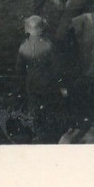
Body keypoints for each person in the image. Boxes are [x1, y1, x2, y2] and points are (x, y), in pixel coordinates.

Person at [16, 15, 64, 143]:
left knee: (34, 107)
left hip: (32, 83)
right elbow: (56, 67)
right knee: (51, 105)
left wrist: (22, 84)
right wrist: (60, 83)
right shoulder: (48, 46)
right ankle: (53, 129)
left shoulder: (23, 47)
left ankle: (37, 131)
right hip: (48, 82)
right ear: (42, 29)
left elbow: (20, 69)